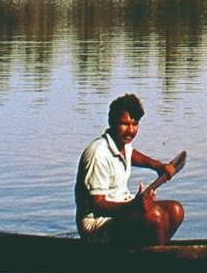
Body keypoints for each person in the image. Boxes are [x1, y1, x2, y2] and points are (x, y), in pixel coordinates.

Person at [75, 91, 185, 243]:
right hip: (97, 225)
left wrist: (159, 166)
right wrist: (133, 206)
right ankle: (158, 260)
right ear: (112, 123)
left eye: (135, 124)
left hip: (121, 213)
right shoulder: (98, 154)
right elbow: (98, 205)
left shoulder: (122, 144)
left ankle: (152, 250)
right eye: (125, 124)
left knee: (175, 210)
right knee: (155, 217)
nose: (131, 130)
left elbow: (132, 154)